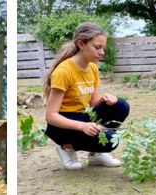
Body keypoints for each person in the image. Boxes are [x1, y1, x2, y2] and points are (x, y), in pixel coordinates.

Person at [44, 22, 129, 170]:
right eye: (97, 47)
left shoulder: (92, 68)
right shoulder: (63, 72)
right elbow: (51, 116)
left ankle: (95, 154)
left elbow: (94, 102)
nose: (102, 52)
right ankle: (66, 147)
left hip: (82, 117)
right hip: (61, 126)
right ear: (81, 44)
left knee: (121, 106)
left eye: (103, 47)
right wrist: (83, 126)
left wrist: (105, 100)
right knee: (109, 141)